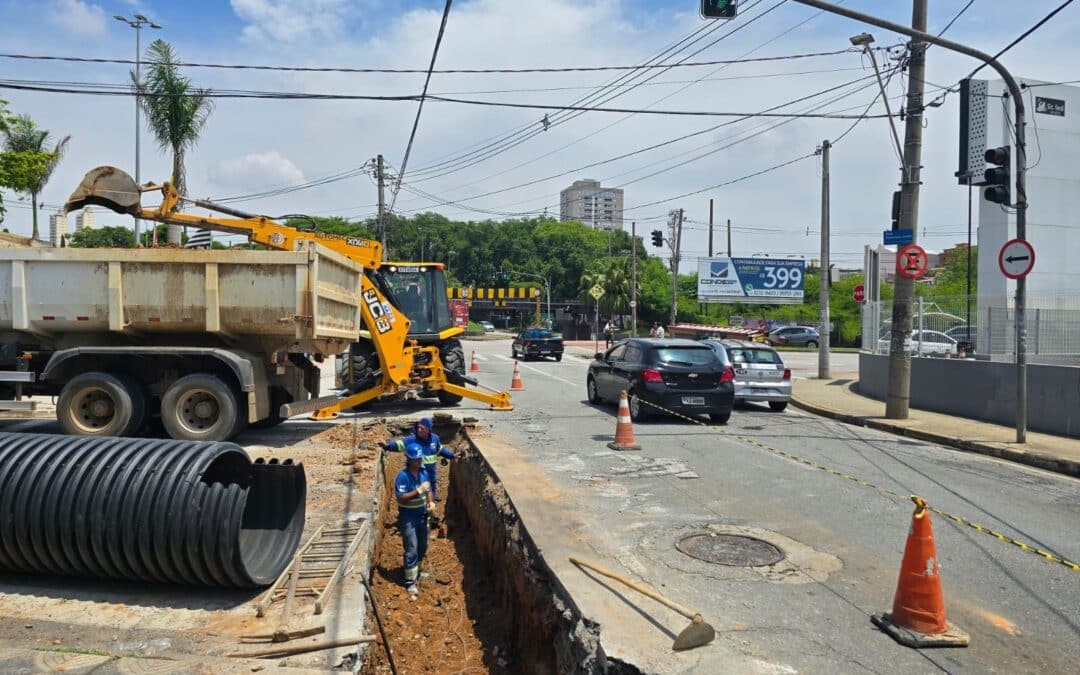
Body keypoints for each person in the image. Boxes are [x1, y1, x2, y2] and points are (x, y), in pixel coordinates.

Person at [385, 417, 461, 501]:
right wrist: (387, 446)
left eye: (422, 428)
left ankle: (431, 505)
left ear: (428, 430)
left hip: (431, 475)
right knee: (418, 493)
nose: (419, 430)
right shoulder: (412, 439)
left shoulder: (434, 439)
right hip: (416, 475)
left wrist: (452, 455)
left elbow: (440, 449)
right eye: (418, 427)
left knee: (431, 493)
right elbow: (399, 445)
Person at [395, 443, 432, 596]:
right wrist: (417, 491)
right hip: (408, 516)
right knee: (411, 548)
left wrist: (431, 502)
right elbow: (401, 498)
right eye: (416, 459)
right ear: (409, 459)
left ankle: (418, 571)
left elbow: (428, 489)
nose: (419, 461)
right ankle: (410, 581)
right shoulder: (402, 476)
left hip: (422, 514)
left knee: (422, 545)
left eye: (420, 458)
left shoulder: (423, 473)